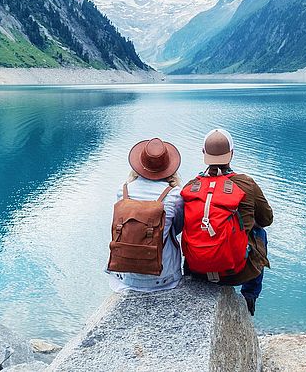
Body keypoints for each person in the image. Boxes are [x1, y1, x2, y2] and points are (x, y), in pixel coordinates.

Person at [183, 129, 273, 315]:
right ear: (231, 153)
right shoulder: (246, 183)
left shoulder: (191, 186)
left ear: (203, 154)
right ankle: (249, 295)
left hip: (197, 270)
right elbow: (267, 219)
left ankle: (192, 276)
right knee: (260, 233)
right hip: (236, 272)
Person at [107, 137, 184, 292]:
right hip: (164, 278)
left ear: (139, 165)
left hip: (125, 276)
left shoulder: (123, 192)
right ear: (169, 167)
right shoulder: (175, 195)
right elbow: (178, 228)